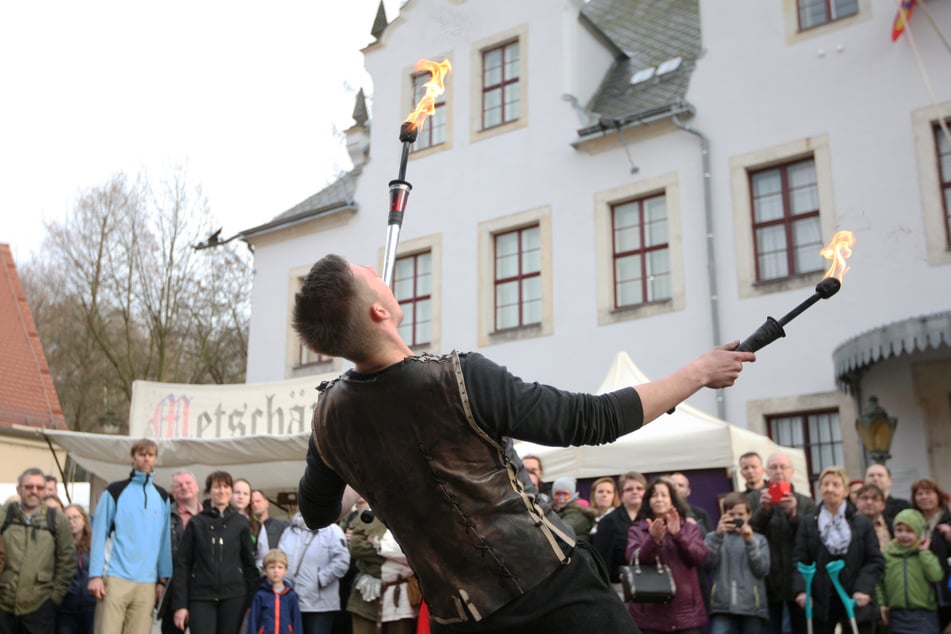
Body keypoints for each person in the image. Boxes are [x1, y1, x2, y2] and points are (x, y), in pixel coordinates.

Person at [294, 255, 753, 632]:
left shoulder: (328, 419)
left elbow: (318, 513)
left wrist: (369, 475)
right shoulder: (458, 379)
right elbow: (592, 419)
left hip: (461, 619)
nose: (379, 272)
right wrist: (699, 373)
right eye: (370, 275)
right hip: (559, 599)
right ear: (378, 311)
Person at [88, 438, 172, 634]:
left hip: (147, 582)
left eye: (150, 455)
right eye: (142, 455)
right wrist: (95, 575)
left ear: (155, 460)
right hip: (115, 577)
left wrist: (162, 580)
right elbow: (99, 534)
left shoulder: (162, 497)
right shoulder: (114, 491)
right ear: (132, 458)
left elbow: (164, 541)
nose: (146, 459)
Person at [792, 466, 884, 634]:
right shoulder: (809, 522)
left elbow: (874, 560)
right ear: (819, 489)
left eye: (836, 484)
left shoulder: (861, 523)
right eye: (825, 484)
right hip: (821, 599)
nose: (830, 489)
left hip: (855, 597)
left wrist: (863, 589)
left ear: (846, 491)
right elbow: (800, 560)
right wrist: (801, 591)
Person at [172, 470, 260, 634]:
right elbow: (183, 564)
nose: (222, 491)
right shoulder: (196, 523)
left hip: (234, 596)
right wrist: (180, 605)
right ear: (208, 491)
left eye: (226, 487)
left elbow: (249, 564)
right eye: (217, 487)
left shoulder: (240, 523)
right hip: (201, 596)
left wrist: (252, 601)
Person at [627, 477, 709, 634]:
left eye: (664, 495)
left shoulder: (689, 527)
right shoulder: (637, 529)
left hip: (685, 615)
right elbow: (635, 559)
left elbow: (699, 557)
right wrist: (653, 540)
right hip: (649, 614)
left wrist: (678, 535)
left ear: (672, 500)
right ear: (648, 500)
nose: (659, 499)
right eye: (654, 495)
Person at [0, 467, 76, 632]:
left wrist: (54, 598)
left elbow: (67, 560)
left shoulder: (56, 519)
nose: (34, 491)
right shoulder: (4, 515)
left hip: (40, 606)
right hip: (4, 604)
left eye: (39, 487)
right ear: (19, 489)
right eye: (28, 487)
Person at [749, 452, 815, 634]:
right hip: (767, 581)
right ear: (766, 472)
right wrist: (764, 511)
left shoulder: (805, 501)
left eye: (782, 467)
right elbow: (749, 533)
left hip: (798, 579)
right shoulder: (754, 499)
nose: (778, 472)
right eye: (773, 467)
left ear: (791, 471)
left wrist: (793, 513)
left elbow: (813, 537)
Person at [705, 492, 770, 634]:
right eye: (731, 514)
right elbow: (706, 565)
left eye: (740, 515)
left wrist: (750, 542)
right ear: (724, 514)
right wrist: (718, 536)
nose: (736, 519)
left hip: (752, 607)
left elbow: (762, 570)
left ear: (749, 515)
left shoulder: (759, 540)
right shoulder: (713, 537)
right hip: (722, 606)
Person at [277, 511, 351, 634]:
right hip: (291, 602)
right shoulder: (289, 531)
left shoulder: (332, 531)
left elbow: (342, 561)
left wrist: (320, 580)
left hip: (320, 606)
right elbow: (280, 559)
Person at [876, 509, 943, 634]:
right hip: (896, 614)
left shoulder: (925, 554)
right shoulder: (887, 555)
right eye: (899, 530)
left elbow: (936, 575)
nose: (904, 535)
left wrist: (924, 553)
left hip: (924, 614)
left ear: (918, 532)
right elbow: (879, 583)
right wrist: (882, 604)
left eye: (909, 531)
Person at [160, 470, 203, 634]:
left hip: (203, 587)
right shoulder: (164, 515)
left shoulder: (210, 515)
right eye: (179, 485)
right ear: (173, 492)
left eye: (188, 483)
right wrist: (161, 581)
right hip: (173, 587)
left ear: (197, 487)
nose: (184, 487)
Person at [909, 478, 951, 631]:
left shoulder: (948, 520)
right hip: (920, 590)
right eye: (919, 494)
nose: (924, 497)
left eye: (928, 493)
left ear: (938, 496)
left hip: (945, 588)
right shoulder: (909, 523)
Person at [594, 472, 648, 584]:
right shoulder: (608, 522)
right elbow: (602, 560)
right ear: (621, 494)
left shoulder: (653, 519)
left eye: (639, 488)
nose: (635, 492)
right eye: (629, 489)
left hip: (651, 582)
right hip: (619, 585)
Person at [56, 504, 97, 634]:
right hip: (65, 609)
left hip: (91, 607)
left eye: (76, 517)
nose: (72, 522)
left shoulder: (95, 545)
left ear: (84, 521)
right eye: (67, 518)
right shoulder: (58, 545)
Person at [248, 549, 304, 634]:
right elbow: (253, 622)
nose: (276, 571)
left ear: (286, 570)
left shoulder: (291, 596)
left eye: (280, 567)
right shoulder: (260, 596)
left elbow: (297, 622)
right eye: (272, 567)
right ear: (265, 571)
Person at [551, 477, 597, 543]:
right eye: (557, 494)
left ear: (572, 494)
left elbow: (561, 530)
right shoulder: (555, 509)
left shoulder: (577, 512)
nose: (561, 497)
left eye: (565, 494)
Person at [865, 465, 911, 529]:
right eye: (871, 475)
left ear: (890, 481)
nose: (875, 478)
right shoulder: (858, 508)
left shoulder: (902, 507)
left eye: (880, 475)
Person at [855, 483, 892, 553]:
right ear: (856, 502)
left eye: (874, 499)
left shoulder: (892, 526)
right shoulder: (847, 525)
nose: (869, 502)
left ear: (883, 505)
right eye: (865, 498)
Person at [251, 489, 288, 557]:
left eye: (258, 501)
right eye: (252, 502)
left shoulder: (282, 526)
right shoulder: (248, 527)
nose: (255, 504)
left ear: (266, 503)